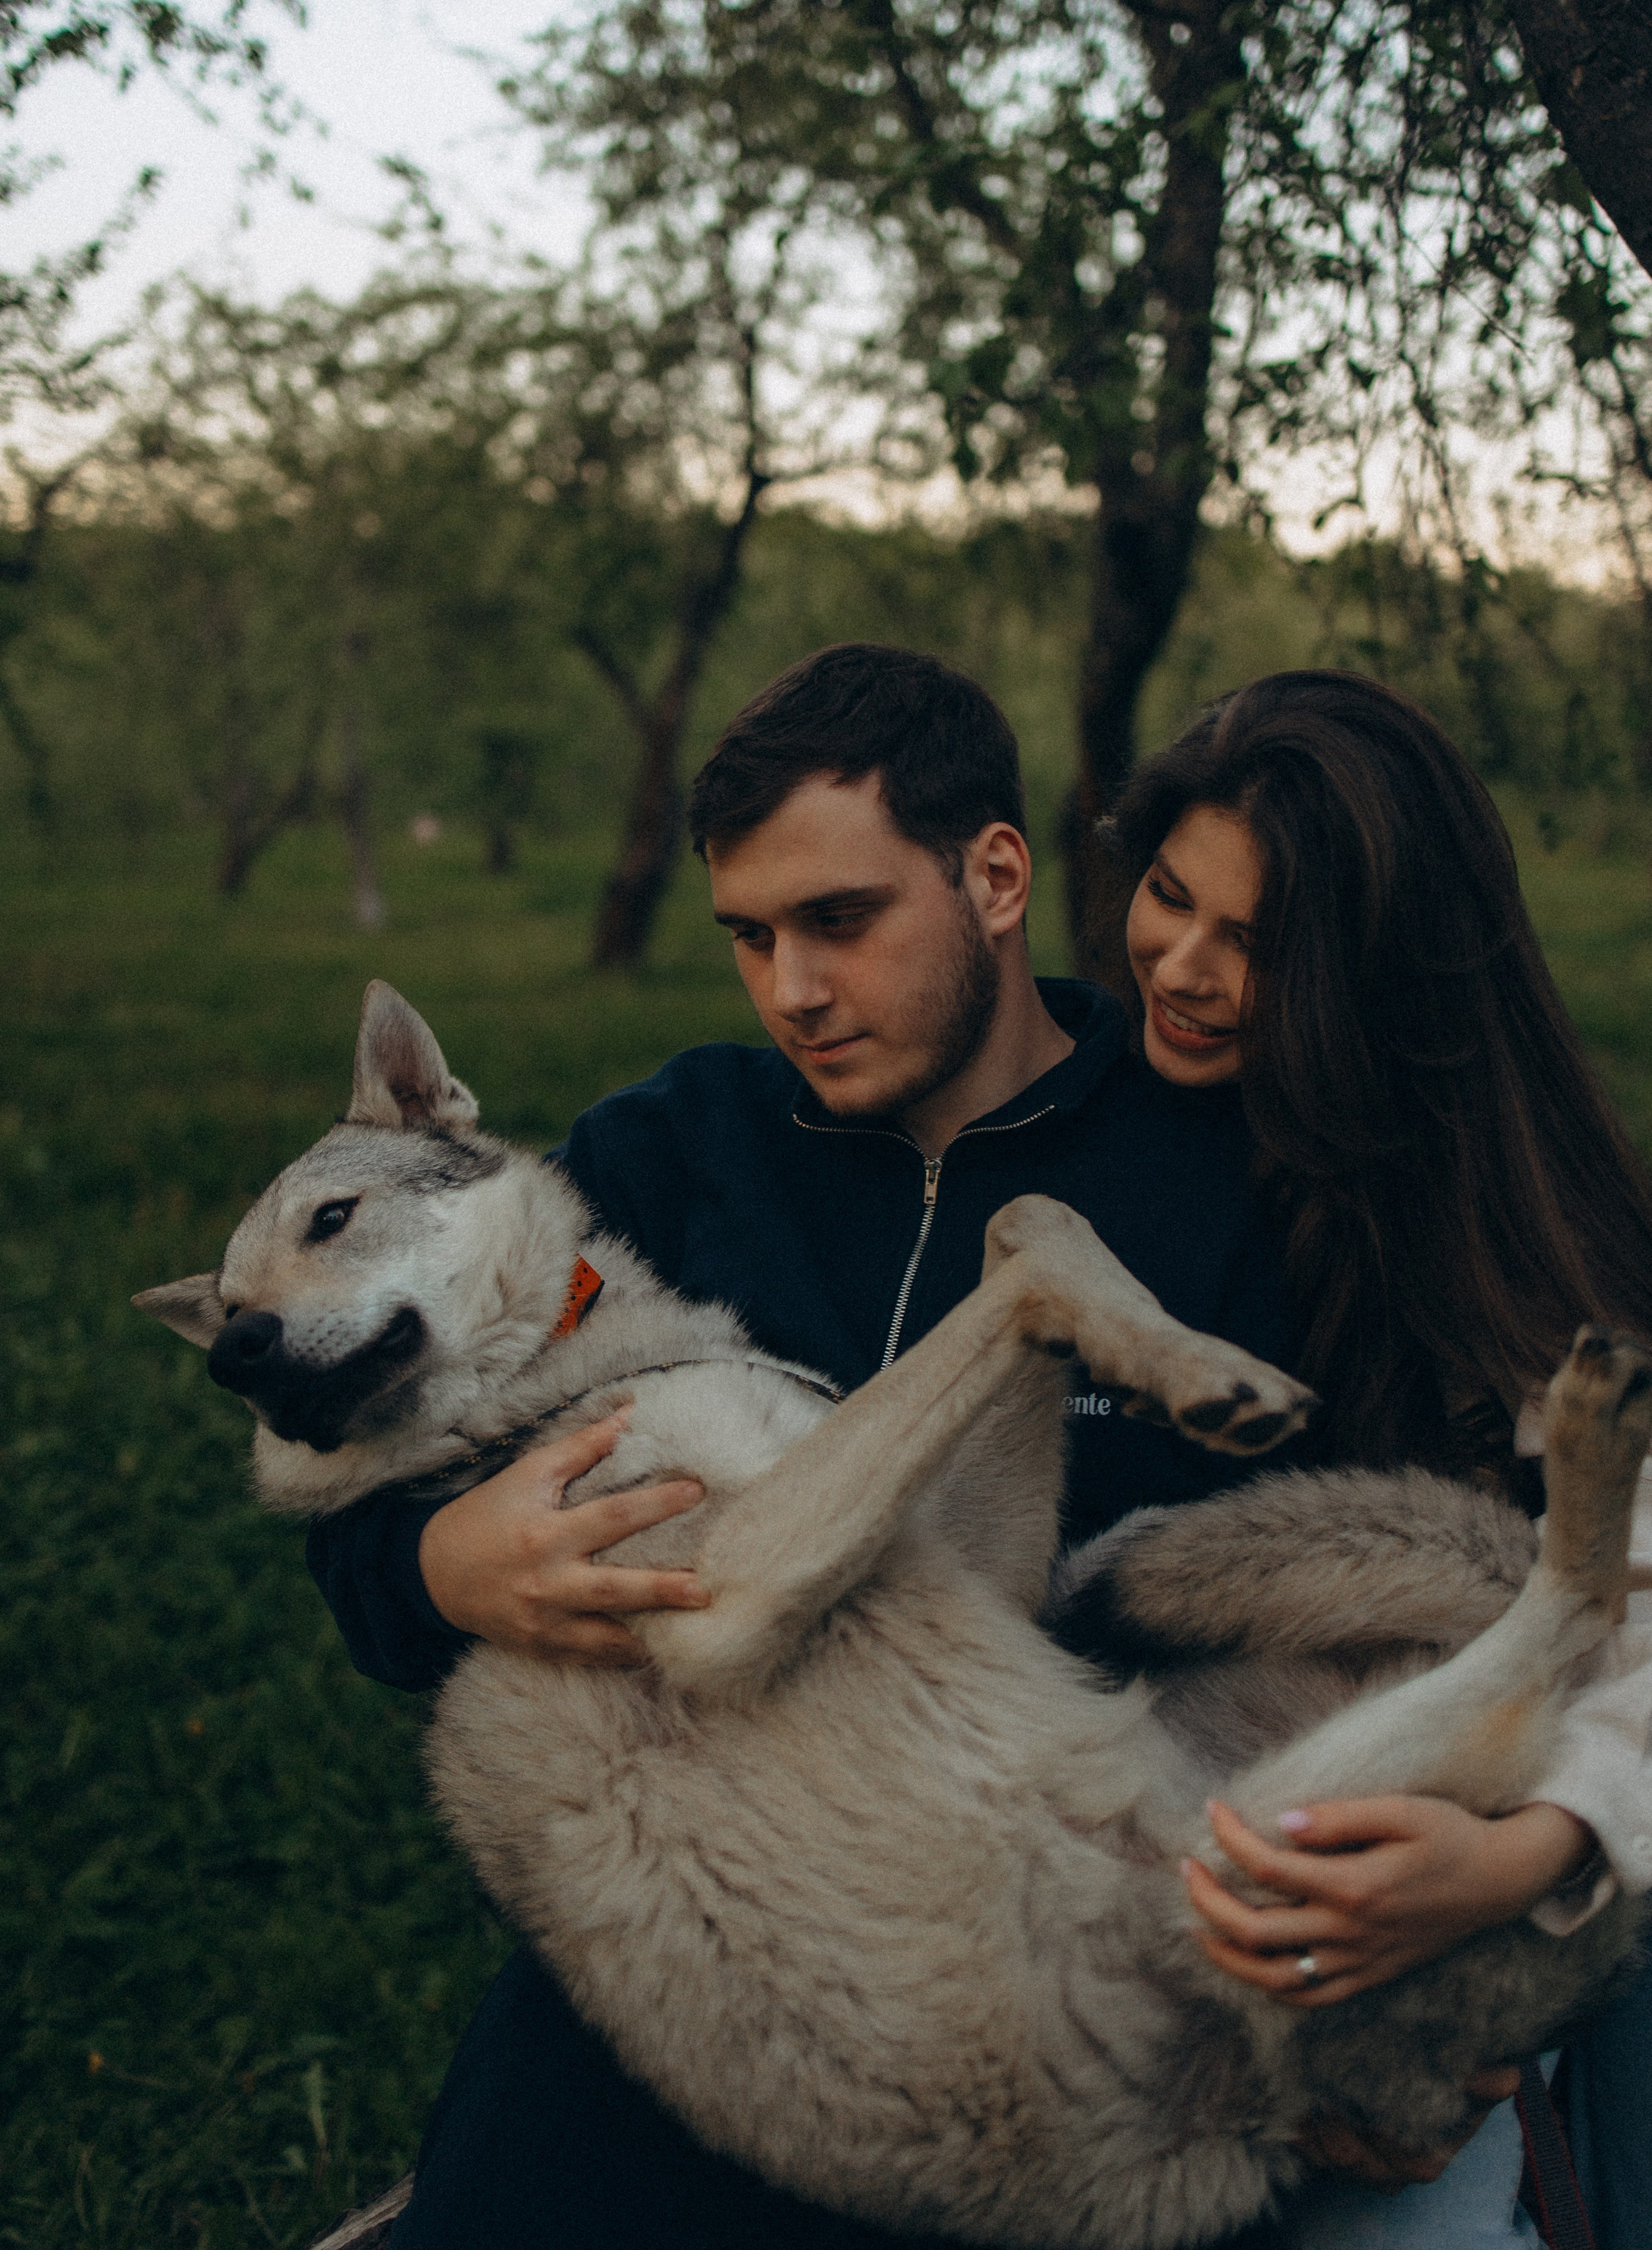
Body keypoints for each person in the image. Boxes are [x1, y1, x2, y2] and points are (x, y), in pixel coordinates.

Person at [307, 645, 1305, 2248]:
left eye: (838, 922)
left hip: (1038, 1925)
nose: (790, 991)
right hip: (689, 1904)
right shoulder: (670, 1150)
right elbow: (366, 1526)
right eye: (750, 938)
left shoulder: (1216, 1170)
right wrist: (443, 1564)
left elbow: (1273, 1581)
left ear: (991, 876)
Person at [1098, 669, 1652, 2248]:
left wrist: (1519, 1863)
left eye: (1259, 947)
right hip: (1168, 1893)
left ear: (1378, 977)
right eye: (1163, 897)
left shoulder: (1506, 1255)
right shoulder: (1101, 1141)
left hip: (1459, 1872)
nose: (1185, 971)